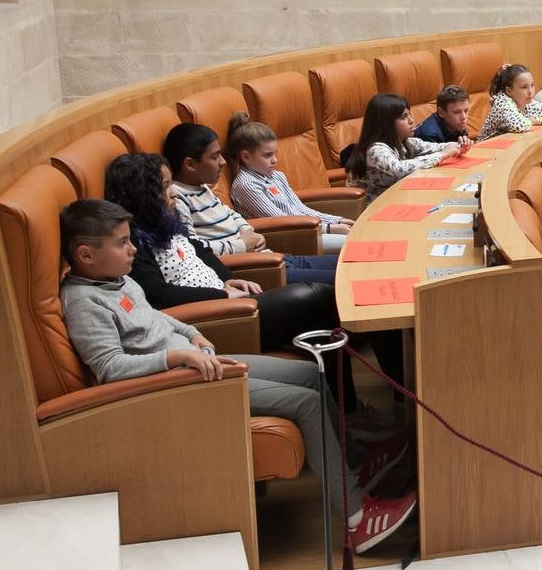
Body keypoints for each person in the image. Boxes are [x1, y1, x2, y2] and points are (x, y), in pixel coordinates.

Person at [57, 199, 416, 556]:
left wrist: (191, 332)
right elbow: (110, 368)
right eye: (121, 243)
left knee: (310, 371)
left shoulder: (116, 280)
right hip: (177, 384)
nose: (132, 248)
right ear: (86, 254)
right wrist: (177, 356)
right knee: (305, 403)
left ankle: (350, 463)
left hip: (197, 362)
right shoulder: (83, 302)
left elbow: (156, 317)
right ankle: (357, 519)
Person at [104, 152, 401, 417]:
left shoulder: (165, 223)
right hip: (217, 317)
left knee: (344, 291)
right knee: (318, 297)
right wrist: (220, 292)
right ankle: (359, 409)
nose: (172, 193)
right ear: (143, 193)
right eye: (164, 186)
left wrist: (229, 277)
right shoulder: (133, 243)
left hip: (229, 297)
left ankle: (357, 407)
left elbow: (201, 250)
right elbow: (158, 295)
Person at [162, 123, 339, 286]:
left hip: (271, 256)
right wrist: (243, 245)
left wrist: (248, 231)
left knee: (351, 262)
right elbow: (193, 248)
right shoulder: (178, 198)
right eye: (215, 157)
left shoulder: (202, 188)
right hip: (253, 267)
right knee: (340, 279)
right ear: (190, 164)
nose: (223, 162)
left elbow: (232, 214)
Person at [224, 113, 354, 255]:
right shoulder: (246, 185)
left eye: (275, 154)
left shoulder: (276, 176)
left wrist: (337, 221)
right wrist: (329, 228)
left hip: (305, 230)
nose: (274, 160)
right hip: (284, 239)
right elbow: (281, 220)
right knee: (352, 244)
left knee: (355, 233)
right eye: (268, 155)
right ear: (246, 156)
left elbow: (300, 209)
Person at [344, 93, 462, 201]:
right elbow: (399, 169)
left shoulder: (406, 142)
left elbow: (434, 147)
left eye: (409, 114)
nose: (412, 120)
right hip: (369, 212)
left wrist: (458, 145)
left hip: (396, 201)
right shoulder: (375, 150)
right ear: (386, 123)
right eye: (404, 117)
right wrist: (442, 155)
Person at [478, 64, 542, 140]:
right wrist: (533, 121)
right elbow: (520, 126)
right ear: (509, 91)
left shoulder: (527, 101)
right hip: (484, 151)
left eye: (532, 85)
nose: (530, 91)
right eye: (524, 87)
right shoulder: (502, 103)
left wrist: (534, 120)